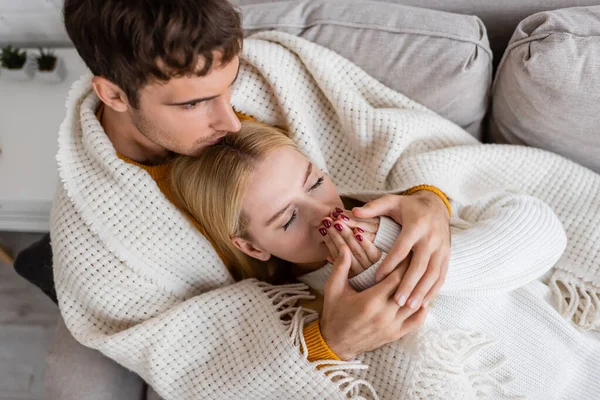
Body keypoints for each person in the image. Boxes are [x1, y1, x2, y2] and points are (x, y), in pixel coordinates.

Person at [51, 1, 454, 398]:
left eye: (229, 85)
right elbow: (185, 365)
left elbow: (402, 141)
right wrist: (328, 345)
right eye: (194, 103)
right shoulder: (94, 239)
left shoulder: (267, 77)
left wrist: (429, 199)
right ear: (113, 94)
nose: (229, 120)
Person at [170, 120, 600, 399]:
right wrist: (334, 343)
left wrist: (412, 265)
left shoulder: (398, 204)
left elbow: (543, 232)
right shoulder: (284, 319)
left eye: (316, 181)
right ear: (252, 247)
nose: (326, 215)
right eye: (288, 219)